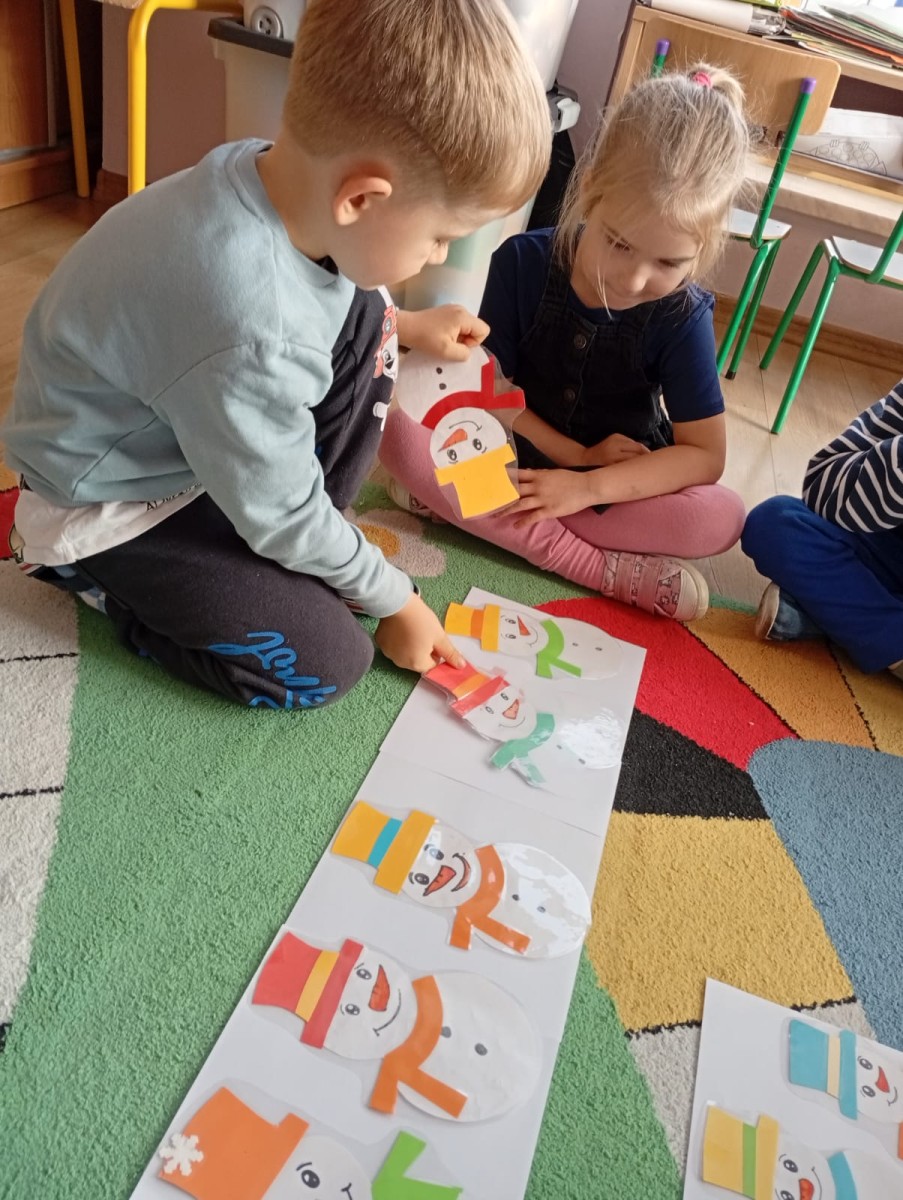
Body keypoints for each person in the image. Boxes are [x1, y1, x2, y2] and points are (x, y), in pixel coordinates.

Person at [1, 0, 551, 709]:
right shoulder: (251, 326)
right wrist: (394, 598)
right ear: (362, 198)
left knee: (370, 312)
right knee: (328, 663)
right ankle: (111, 594)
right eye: (441, 237)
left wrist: (406, 325)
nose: (440, 255)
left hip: (190, 436)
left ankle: (306, 540)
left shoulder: (264, 173)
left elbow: (320, 307)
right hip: (105, 508)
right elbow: (278, 493)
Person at [381, 65, 750, 622]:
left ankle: (470, 513)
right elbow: (488, 392)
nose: (634, 280)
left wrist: (586, 486)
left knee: (720, 517)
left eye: (669, 263)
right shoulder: (522, 263)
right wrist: (574, 459)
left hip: (613, 487)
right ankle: (600, 568)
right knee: (395, 433)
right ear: (590, 189)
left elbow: (705, 456)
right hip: (512, 457)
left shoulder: (683, 314)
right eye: (618, 244)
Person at [743, 378, 903, 681]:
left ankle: (829, 620)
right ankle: (868, 632)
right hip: (884, 549)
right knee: (775, 524)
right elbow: (820, 486)